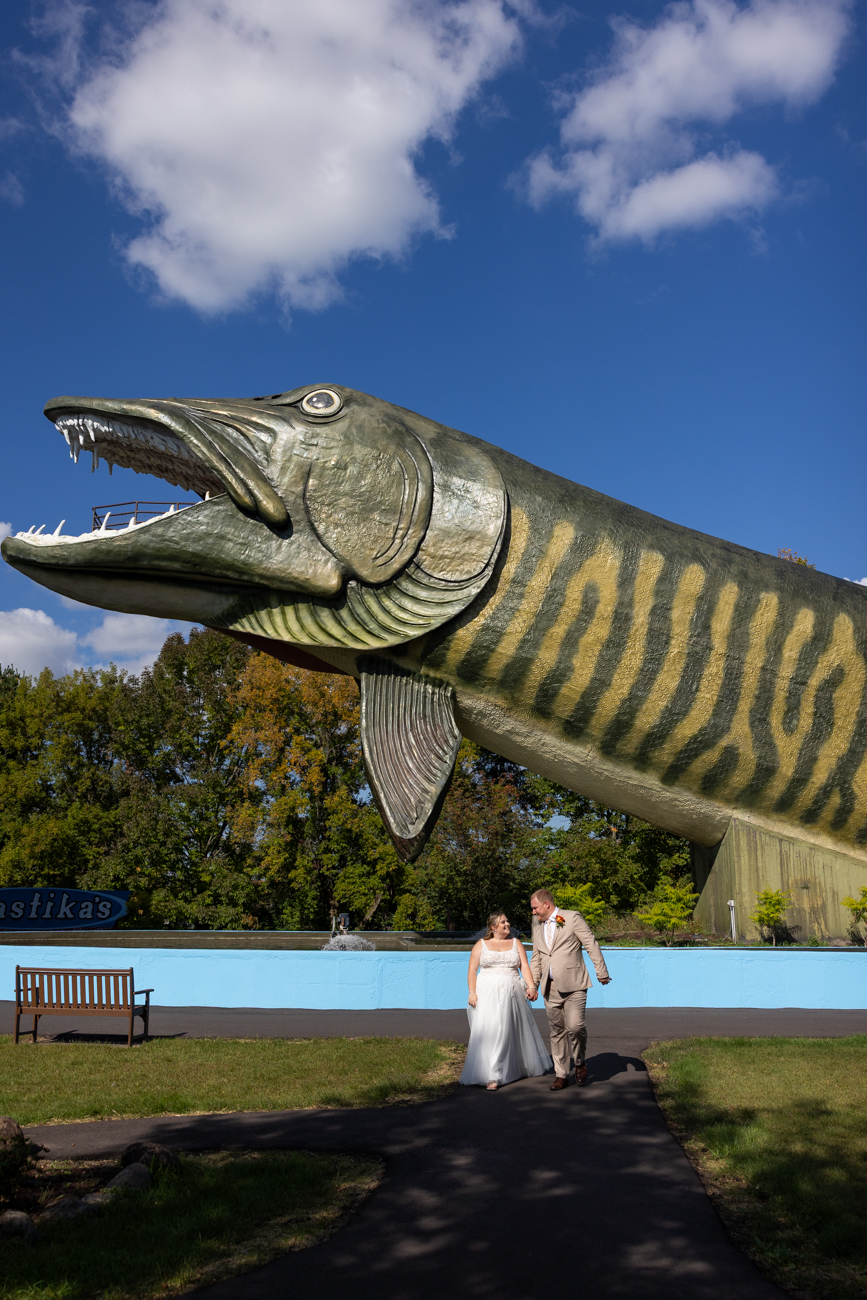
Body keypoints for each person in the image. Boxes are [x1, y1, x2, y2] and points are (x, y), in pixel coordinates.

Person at [528, 888, 611, 1091]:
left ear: (546, 904)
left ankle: (580, 1062)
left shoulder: (572, 917)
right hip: (550, 986)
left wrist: (601, 970)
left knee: (574, 1027)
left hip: (575, 984)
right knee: (556, 1031)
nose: (533, 912)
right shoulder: (536, 925)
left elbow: (590, 943)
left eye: (535, 908)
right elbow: (537, 955)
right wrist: (533, 984)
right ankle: (561, 1074)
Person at [459, 911, 552, 1090]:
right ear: (493, 927)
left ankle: (510, 1067)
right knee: (493, 1030)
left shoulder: (516, 943)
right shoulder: (481, 945)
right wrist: (472, 992)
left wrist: (531, 986)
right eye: (502, 922)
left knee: (508, 1030)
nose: (507, 924)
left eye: (507, 921)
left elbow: (524, 966)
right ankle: (491, 1074)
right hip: (487, 992)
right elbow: (472, 969)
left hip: (512, 992)